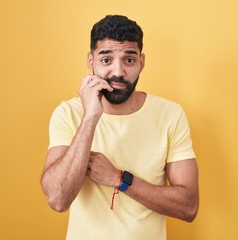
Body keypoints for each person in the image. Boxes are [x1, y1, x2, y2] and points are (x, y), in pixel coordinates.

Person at [41, 15, 199, 240]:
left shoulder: (170, 115)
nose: (118, 72)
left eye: (129, 60)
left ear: (141, 62)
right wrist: (90, 118)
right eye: (106, 60)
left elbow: (188, 206)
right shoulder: (68, 114)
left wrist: (119, 178)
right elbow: (57, 199)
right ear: (91, 61)